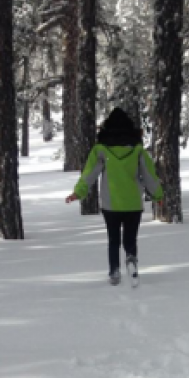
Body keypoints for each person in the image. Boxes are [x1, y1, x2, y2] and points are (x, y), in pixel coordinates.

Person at [66, 108, 164, 286]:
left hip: (110, 204)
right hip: (133, 202)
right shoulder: (138, 150)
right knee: (130, 237)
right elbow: (149, 175)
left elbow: (89, 174)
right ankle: (131, 261)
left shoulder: (101, 150)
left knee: (113, 239)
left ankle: (114, 271)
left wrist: (78, 193)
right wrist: (158, 194)